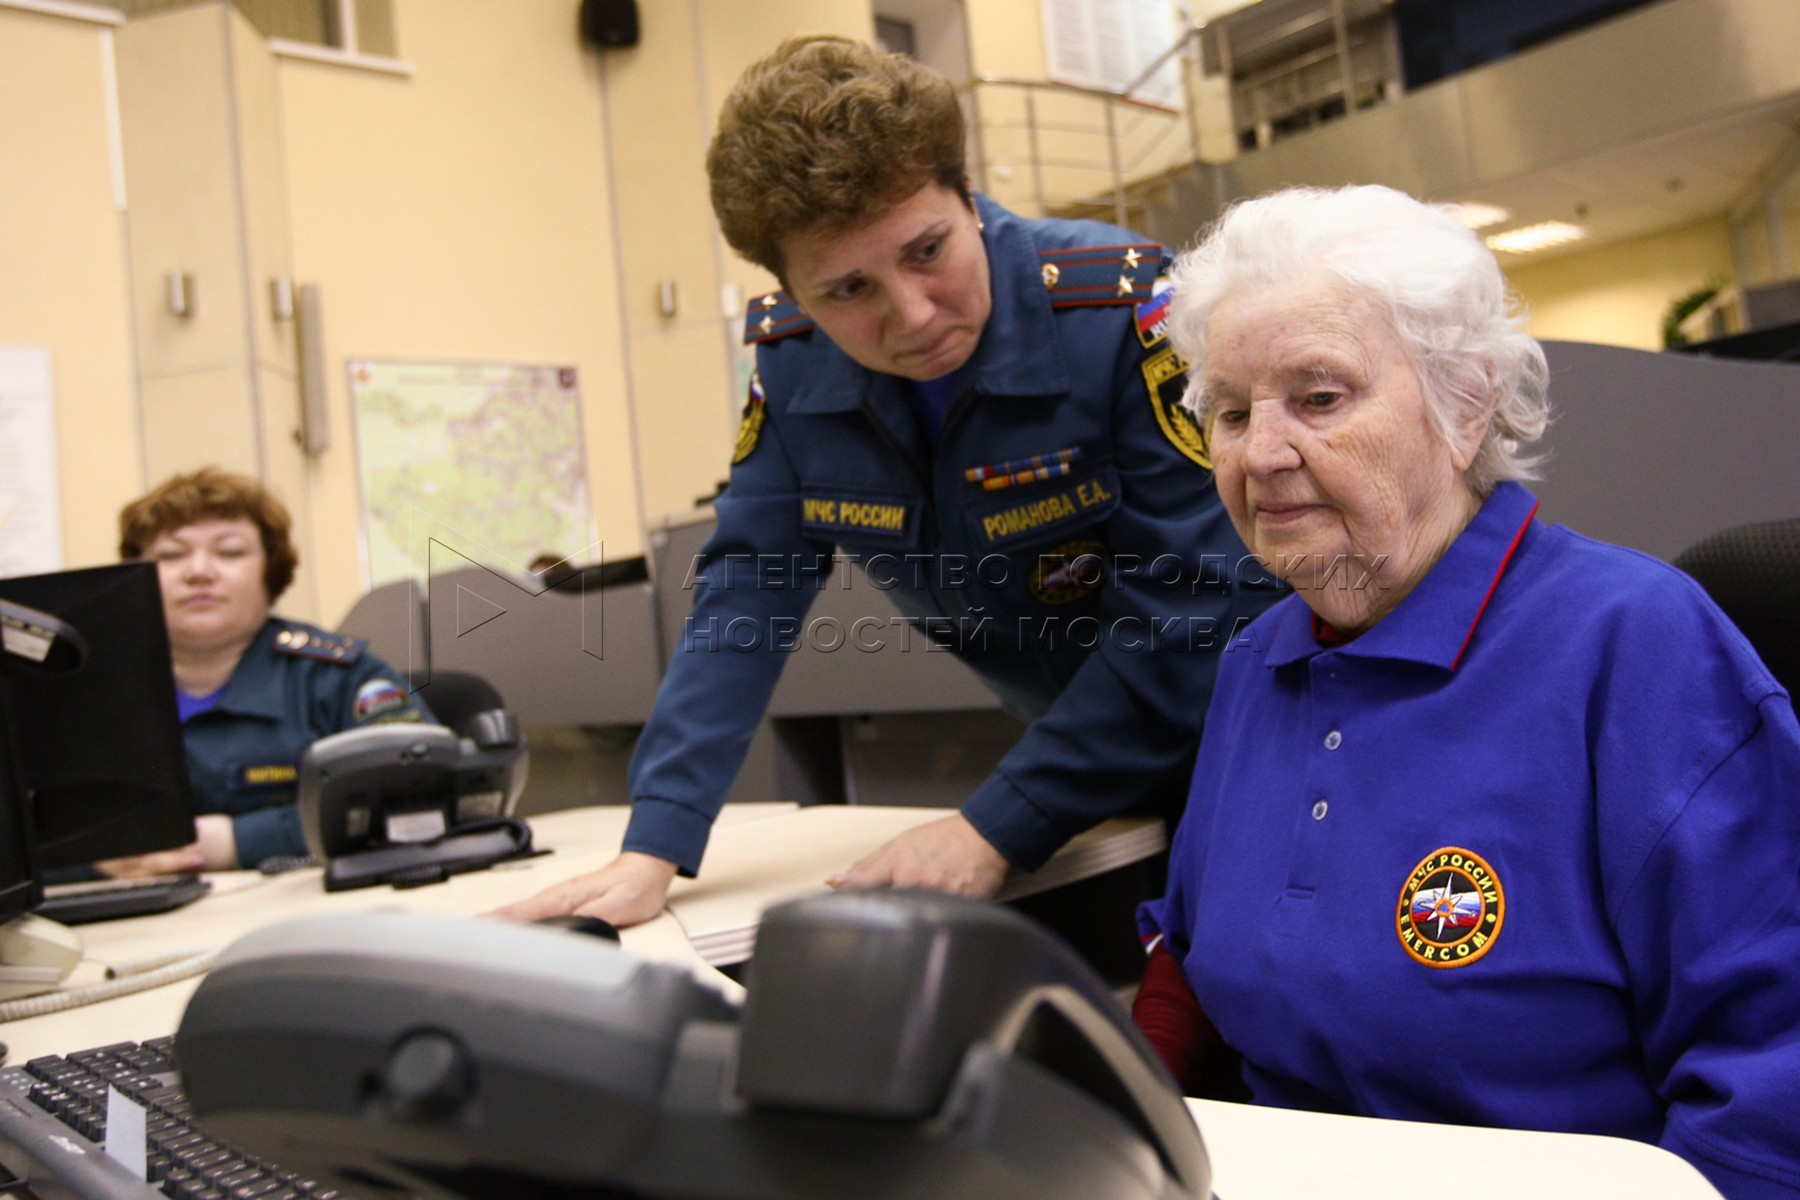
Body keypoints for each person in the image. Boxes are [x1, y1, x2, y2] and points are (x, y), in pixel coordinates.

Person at [497, 36, 1275, 928]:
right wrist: (657, 841)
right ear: (788, 287)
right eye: (846, 290)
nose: (910, 315)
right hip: (1087, 765)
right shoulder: (793, 370)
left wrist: (994, 825)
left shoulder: (1118, 310)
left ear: (968, 197)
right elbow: (746, 591)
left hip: (1259, 744)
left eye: (927, 250)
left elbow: (1196, 613)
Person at [1133, 184, 1800, 1198]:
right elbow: (1189, 951)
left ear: (1465, 405)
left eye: (1320, 397)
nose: (1260, 454)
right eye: (1229, 411)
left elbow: (1774, 1069)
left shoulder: (1636, 647)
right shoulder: (1256, 662)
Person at [103, 467, 433, 876]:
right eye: (171, 555)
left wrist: (238, 842)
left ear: (270, 572)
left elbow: (420, 798)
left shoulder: (337, 679)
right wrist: (97, 860)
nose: (199, 571)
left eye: (229, 552)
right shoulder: (86, 694)